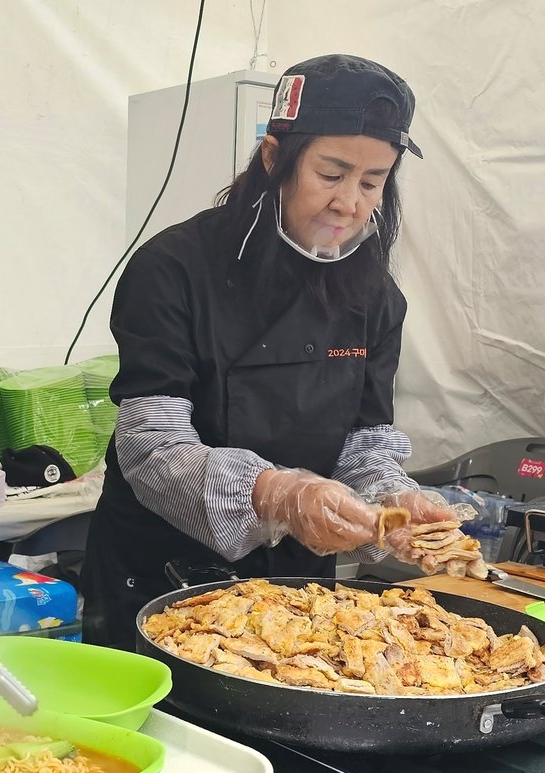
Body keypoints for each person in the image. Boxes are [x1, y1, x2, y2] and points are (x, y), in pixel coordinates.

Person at [80, 55, 455, 651]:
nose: (349, 204)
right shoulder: (173, 269)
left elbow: (364, 442)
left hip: (294, 591)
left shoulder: (377, 295)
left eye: (372, 181)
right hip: (155, 578)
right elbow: (152, 449)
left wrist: (392, 499)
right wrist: (277, 494)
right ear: (275, 158)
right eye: (331, 174)